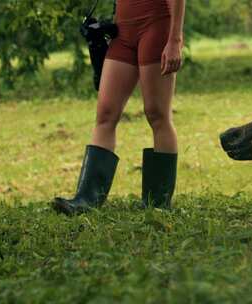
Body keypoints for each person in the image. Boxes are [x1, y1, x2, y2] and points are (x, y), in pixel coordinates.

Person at [53, 0, 185, 215]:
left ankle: (158, 204)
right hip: (123, 32)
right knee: (105, 113)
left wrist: (175, 39)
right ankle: (86, 200)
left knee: (157, 114)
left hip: (157, 26)